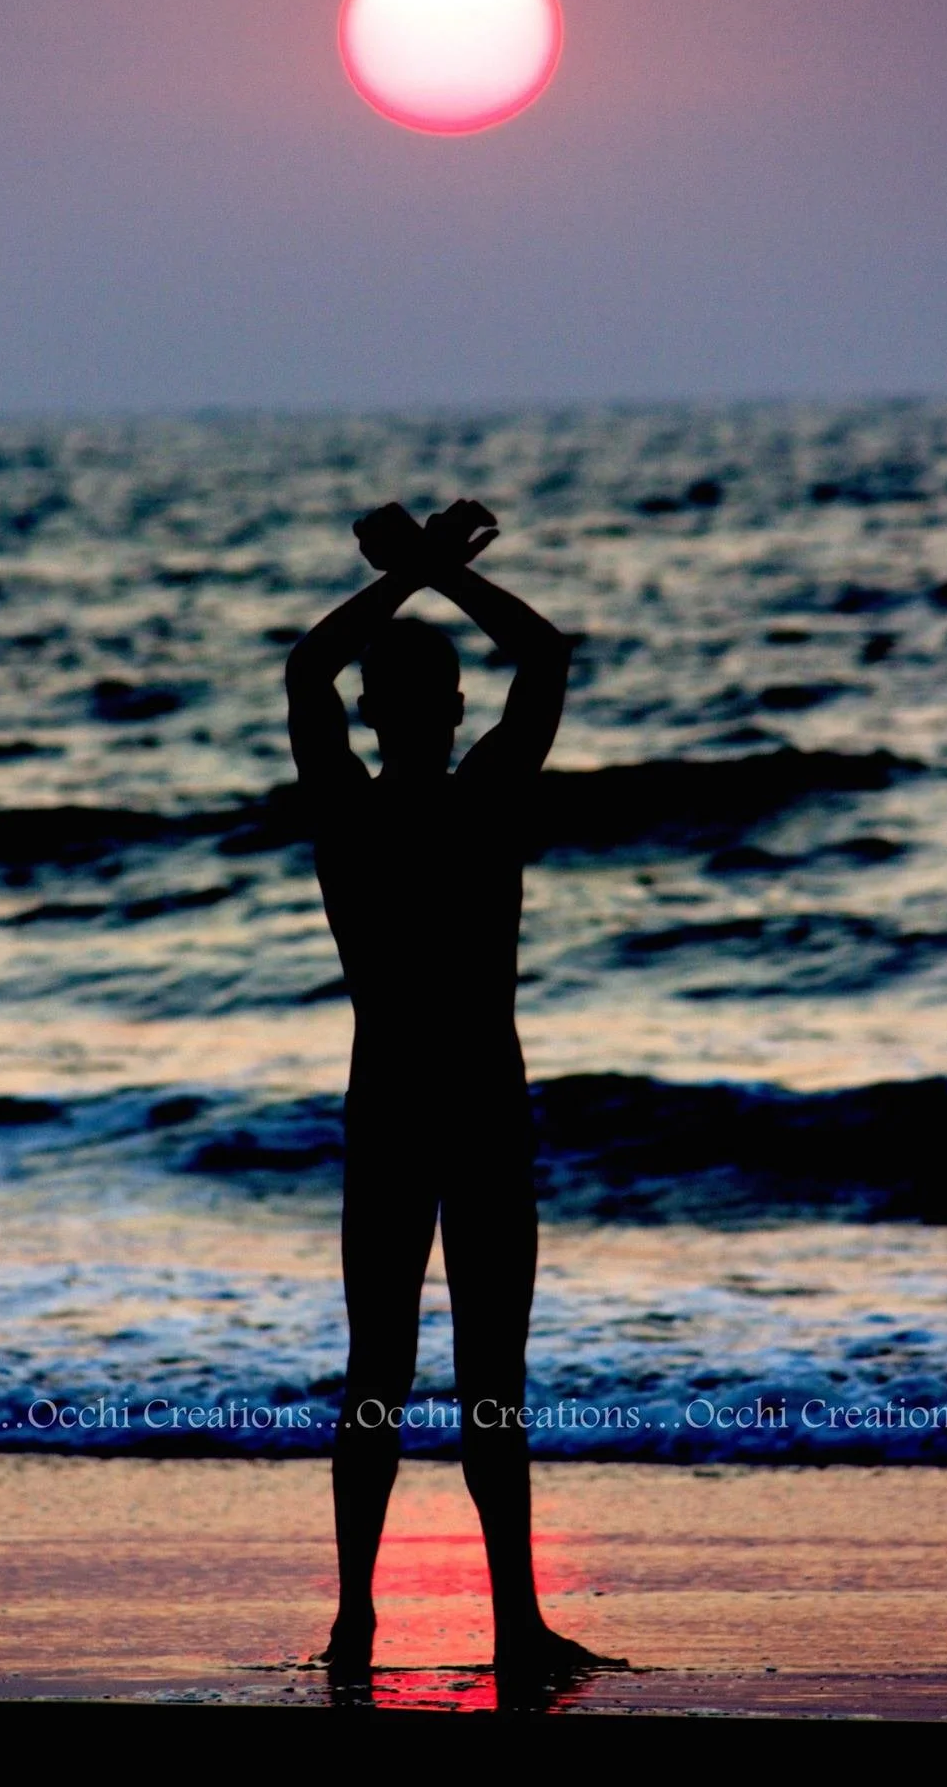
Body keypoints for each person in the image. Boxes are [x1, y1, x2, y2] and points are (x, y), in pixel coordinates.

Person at [286, 497, 615, 1689]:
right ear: (456, 709)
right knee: (492, 1377)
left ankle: (363, 1622)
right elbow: (549, 653)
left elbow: (306, 664)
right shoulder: (485, 801)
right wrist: (443, 569)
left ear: (376, 712)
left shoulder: (348, 808)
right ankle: (513, 1623)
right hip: (477, 1106)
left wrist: (403, 572)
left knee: (378, 1367)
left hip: (392, 1108)